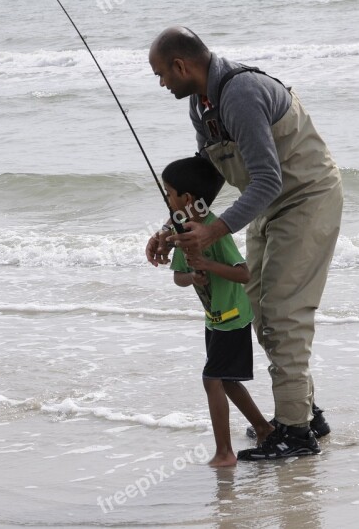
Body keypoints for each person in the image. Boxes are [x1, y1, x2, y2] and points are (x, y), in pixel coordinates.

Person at [146, 27, 343, 459]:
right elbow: (205, 179)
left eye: (161, 74)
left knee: (283, 313)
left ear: (182, 66)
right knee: (260, 306)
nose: (161, 84)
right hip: (268, 206)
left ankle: (295, 434)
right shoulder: (202, 106)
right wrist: (171, 228)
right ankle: (307, 415)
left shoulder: (240, 93)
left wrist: (214, 231)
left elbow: (270, 178)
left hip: (307, 199)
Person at [163, 156, 275, 466]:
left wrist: (209, 265)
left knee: (212, 379)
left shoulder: (214, 230)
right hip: (213, 320)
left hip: (233, 318)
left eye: (169, 193)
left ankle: (225, 453)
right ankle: (264, 428)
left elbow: (244, 274)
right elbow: (178, 278)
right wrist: (194, 275)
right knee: (226, 381)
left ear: (187, 199)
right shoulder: (181, 231)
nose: (166, 199)